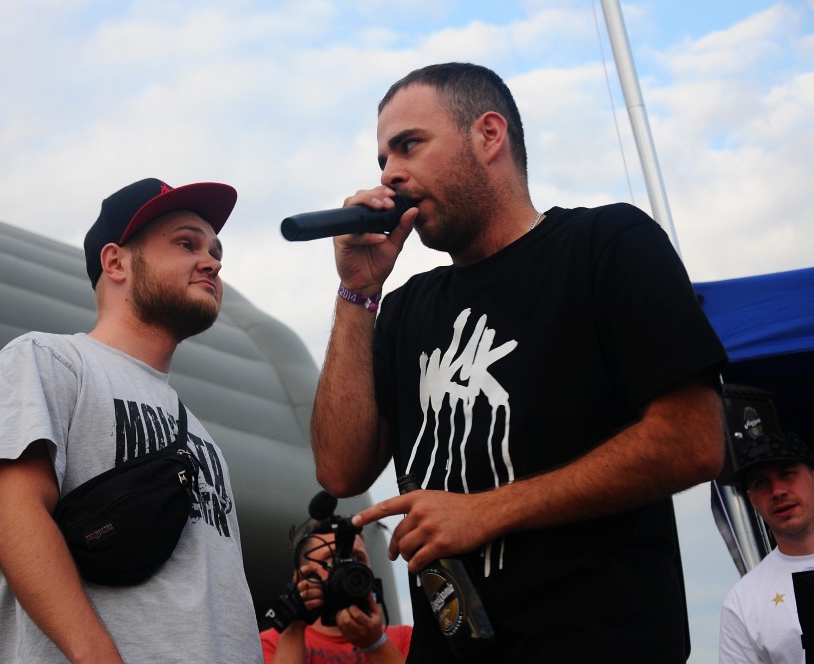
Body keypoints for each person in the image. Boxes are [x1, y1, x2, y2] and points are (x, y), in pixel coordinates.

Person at [310, 62, 728, 663]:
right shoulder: (402, 310)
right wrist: (357, 293)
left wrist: (487, 510)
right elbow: (340, 472)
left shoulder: (606, 244)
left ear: (488, 135)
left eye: (409, 145)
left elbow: (695, 438)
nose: (389, 174)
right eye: (382, 159)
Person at [0, 178, 262, 663]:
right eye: (187, 244)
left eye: (215, 250)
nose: (212, 262)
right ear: (116, 262)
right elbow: (14, 517)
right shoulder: (49, 361)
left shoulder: (200, 434)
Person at [719, 432, 814, 663]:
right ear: (752, 500)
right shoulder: (742, 602)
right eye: (761, 483)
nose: (777, 491)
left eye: (786, 474)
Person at [261, 529, 412, 663]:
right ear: (305, 574)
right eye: (333, 560)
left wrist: (376, 643)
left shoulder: (405, 637)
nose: (350, 567)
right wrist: (295, 626)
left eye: (358, 558)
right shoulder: (269, 643)